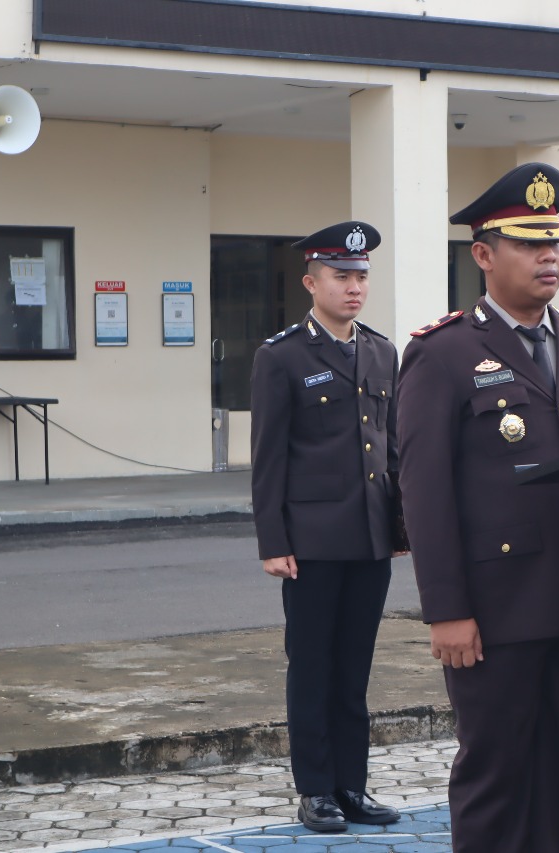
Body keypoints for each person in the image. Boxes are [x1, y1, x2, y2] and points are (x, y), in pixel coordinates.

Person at [396, 163, 559, 853]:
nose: (549, 256)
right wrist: (446, 609)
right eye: (528, 243)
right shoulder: (444, 353)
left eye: (555, 242)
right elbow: (425, 494)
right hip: (497, 606)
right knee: (496, 776)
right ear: (483, 254)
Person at [249, 221, 407, 834]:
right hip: (311, 541)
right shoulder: (281, 356)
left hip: (368, 538)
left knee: (355, 669)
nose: (354, 288)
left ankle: (351, 785)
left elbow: (389, 448)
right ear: (312, 282)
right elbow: (269, 458)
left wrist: (399, 527)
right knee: (311, 665)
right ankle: (315, 790)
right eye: (342, 277)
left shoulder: (380, 351)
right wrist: (273, 542)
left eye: (361, 276)